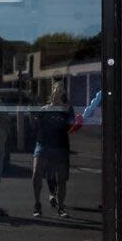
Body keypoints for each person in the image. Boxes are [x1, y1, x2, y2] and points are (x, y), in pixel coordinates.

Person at [30, 81, 74, 218]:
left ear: (63, 94)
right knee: (36, 174)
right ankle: (37, 204)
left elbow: (72, 125)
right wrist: (32, 117)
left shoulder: (67, 110)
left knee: (61, 178)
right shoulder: (44, 109)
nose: (57, 92)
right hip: (43, 145)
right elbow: (35, 126)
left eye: (60, 91)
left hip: (60, 146)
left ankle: (61, 207)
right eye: (55, 90)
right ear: (52, 93)